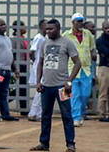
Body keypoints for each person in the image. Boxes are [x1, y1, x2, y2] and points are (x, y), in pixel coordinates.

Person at [30, 19, 81, 152]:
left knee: (67, 115)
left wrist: (69, 81)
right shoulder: (44, 42)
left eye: (51, 29)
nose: (48, 31)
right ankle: (44, 144)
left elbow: (77, 63)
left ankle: (70, 144)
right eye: (46, 29)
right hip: (46, 86)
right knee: (45, 115)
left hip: (63, 87)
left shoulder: (67, 42)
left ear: (58, 29)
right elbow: (40, 62)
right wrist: (38, 81)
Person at [62, 13, 96, 127]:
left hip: (86, 68)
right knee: (74, 94)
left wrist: (94, 55)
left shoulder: (88, 35)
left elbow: (92, 49)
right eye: (78, 21)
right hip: (72, 69)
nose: (80, 23)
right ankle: (75, 117)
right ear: (73, 22)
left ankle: (80, 114)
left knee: (85, 95)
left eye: (81, 21)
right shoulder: (66, 35)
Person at [0, 18, 20, 122]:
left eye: (4, 24)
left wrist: (15, 69)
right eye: (1, 25)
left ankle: (5, 114)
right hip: (0, 70)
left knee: (4, 93)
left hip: (7, 70)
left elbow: (11, 55)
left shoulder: (7, 39)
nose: (4, 26)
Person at [28, 19, 47, 122]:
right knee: (40, 90)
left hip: (41, 66)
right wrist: (35, 61)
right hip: (38, 66)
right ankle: (34, 113)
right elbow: (31, 52)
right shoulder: (39, 38)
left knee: (40, 91)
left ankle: (37, 113)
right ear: (41, 27)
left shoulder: (44, 38)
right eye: (45, 26)